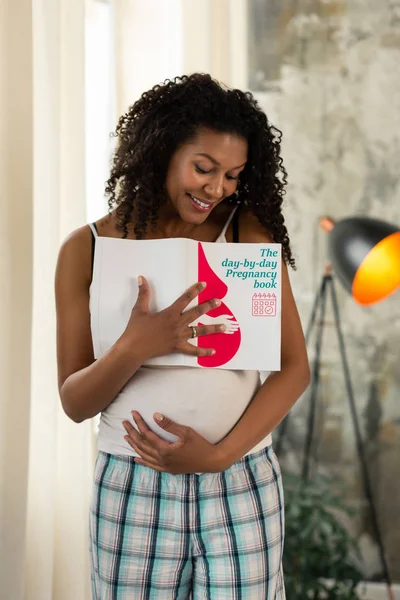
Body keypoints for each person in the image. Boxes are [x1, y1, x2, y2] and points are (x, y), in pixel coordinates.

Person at [55, 73, 310, 599]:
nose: (217, 189)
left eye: (233, 175)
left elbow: (293, 368)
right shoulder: (87, 250)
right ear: (160, 153)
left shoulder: (247, 233)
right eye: (204, 168)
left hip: (241, 481)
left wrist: (219, 457)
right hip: (133, 488)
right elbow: (75, 402)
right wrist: (135, 346)